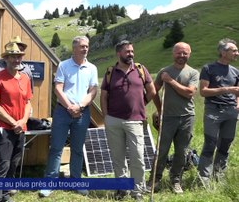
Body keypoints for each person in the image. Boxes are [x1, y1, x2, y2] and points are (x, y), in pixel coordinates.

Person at [39, 36, 98, 198]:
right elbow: (58, 88)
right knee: (56, 148)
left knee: (78, 150)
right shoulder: (63, 66)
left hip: (82, 113)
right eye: (82, 46)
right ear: (74, 48)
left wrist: (80, 106)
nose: (85, 49)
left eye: (87, 46)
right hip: (62, 112)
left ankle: (75, 182)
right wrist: (70, 107)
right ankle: (49, 183)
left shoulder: (92, 68)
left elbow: (93, 91)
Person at [100, 40, 156, 200]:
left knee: (138, 156)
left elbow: (151, 91)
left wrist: (141, 104)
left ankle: (137, 191)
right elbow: (103, 96)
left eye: (132, 51)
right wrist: (106, 117)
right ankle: (122, 189)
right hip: (114, 121)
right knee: (118, 157)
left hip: (136, 120)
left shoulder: (140, 69)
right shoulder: (110, 72)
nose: (131, 54)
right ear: (119, 53)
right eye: (127, 51)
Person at [148, 42, 199, 194]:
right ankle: (154, 180)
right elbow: (153, 91)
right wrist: (159, 109)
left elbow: (189, 92)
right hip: (167, 118)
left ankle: (176, 180)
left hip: (187, 117)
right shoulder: (164, 71)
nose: (181, 56)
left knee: (181, 151)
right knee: (161, 150)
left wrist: (169, 81)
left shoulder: (193, 73)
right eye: (179, 53)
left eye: (185, 53)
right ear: (173, 53)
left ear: (189, 54)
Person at [0, 36, 33, 180]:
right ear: (7, 57)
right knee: (0, 160)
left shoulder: (26, 75)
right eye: (13, 56)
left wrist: (22, 121)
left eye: (19, 55)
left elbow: (28, 101)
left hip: (19, 126)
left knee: (13, 161)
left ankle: (5, 192)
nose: (17, 59)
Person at [197, 38, 239, 187]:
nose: (237, 53)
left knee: (225, 144)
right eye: (233, 50)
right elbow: (203, 92)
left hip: (231, 112)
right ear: (223, 52)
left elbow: (238, 93)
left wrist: (237, 105)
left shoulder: (236, 71)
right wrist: (226, 89)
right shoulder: (208, 68)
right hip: (213, 110)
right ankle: (204, 179)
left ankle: (219, 177)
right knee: (210, 143)